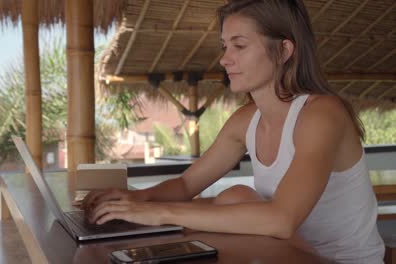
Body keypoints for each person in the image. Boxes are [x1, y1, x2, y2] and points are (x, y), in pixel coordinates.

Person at [81, 0, 385, 263]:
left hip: (337, 261)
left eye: (239, 46)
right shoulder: (245, 120)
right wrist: (135, 200)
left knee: (234, 198)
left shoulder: (322, 115)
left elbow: (281, 220)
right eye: (225, 46)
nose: (225, 58)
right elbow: (187, 184)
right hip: (286, 256)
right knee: (233, 196)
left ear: (283, 50)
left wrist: (160, 213)